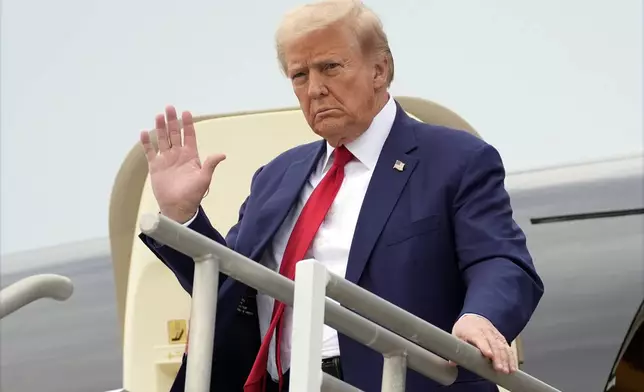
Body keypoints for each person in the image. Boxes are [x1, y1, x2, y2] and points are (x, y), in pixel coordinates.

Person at [138, 0, 545, 391]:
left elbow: (500, 260)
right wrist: (182, 217)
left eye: (330, 67)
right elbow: (232, 291)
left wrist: (480, 316)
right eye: (300, 76)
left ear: (379, 70)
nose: (314, 89)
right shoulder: (276, 175)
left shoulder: (455, 160)